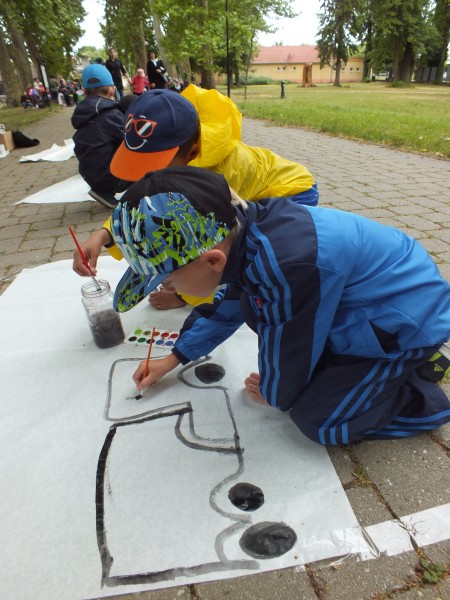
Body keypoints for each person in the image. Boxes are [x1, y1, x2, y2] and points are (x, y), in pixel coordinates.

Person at [108, 165, 450, 445]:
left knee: (318, 421)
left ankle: (421, 396)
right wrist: (174, 357)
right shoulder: (241, 234)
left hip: (404, 324)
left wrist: (276, 392)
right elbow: (226, 308)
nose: (167, 287)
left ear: (212, 260)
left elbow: (291, 344)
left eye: (168, 280)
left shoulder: (284, 267)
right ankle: (387, 375)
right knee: (254, 306)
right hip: (363, 308)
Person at [72, 87, 319, 309]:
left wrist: (183, 296)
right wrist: (104, 234)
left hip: (292, 194)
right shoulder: (184, 154)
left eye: (155, 165)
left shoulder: (218, 174)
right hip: (260, 192)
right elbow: (148, 203)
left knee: (247, 253)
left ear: (193, 151)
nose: (148, 175)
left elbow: (205, 250)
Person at [71, 64, 135, 209]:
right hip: (113, 178)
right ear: (112, 89)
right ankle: (143, 189)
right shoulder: (111, 114)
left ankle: (103, 191)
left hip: (90, 176)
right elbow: (131, 140)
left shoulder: (81, 113)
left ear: (85, 91)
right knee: (142, 151)